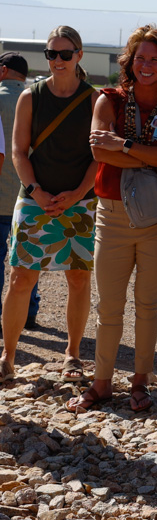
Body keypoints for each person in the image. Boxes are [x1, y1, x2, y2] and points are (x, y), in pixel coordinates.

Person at [64, 26, 157, 413]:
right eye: (140, 58)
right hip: (112, 215)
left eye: (155, 59)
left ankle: (140, 382)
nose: (146, 65)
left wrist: (124, 145)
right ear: (129, 61)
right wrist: (150, 155)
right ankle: (102, 383)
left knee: (148, 303)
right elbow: (99, 153)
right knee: (109, 304)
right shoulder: (109, 100)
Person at [0, 27, 99, 382]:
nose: (58, 60)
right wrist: (36, 191)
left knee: (78, 278)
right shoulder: (31, 97)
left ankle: (72, 354)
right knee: (20, 278)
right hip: (34, 199)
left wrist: (78, 193)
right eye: (51, 54)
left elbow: (99, 156)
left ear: (79, 55)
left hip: (80, 202)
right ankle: (8, 357)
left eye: (65, 54)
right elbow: (18, 151)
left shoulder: (94, 100)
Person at [0, 53, 41, 330]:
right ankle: (28, 313)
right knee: (27, 260)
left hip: (0, 197)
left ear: (3, 70)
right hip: (30, 195)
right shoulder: (36, 101)